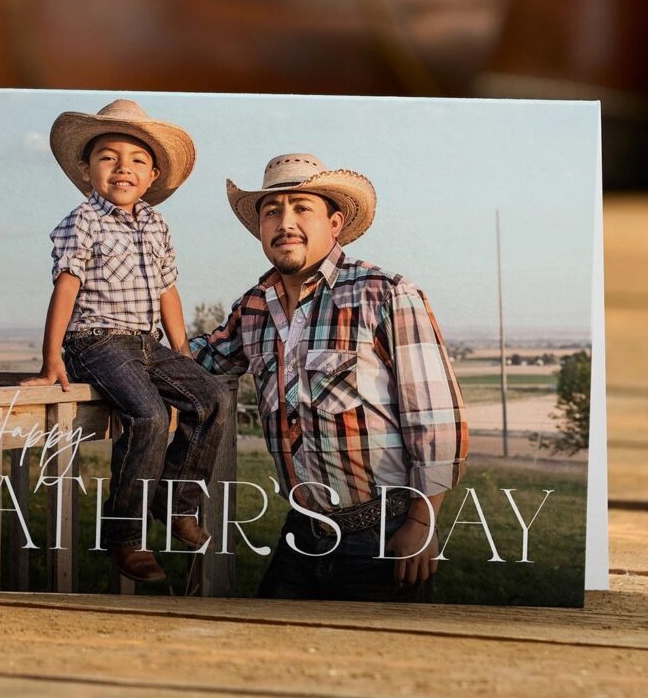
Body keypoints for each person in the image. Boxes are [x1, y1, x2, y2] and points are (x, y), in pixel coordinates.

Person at [192, 154, 469, 601]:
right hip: (303, 530)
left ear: (335, 223)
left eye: (302, 207)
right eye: (272, 211)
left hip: (384, 529)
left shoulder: (384, 294)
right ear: (260, 227)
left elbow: (436, 420)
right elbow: (200, 362)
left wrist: (421, 523)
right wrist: (109, 354)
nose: (286, 222)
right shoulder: (254, 309)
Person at [35, 98, 231, 586]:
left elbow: (168, 290)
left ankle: (175, 500)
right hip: (96, 340)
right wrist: (51, 358)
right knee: (147, 416)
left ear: (153, 174)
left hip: (147, 343)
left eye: (138, 160)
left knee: (211, 397)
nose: (123, 169)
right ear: (86, 168)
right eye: (108, 157)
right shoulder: (83, 220)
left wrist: (183, 351)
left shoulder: (156, 224)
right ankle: (125, 536)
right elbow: (67, 286)